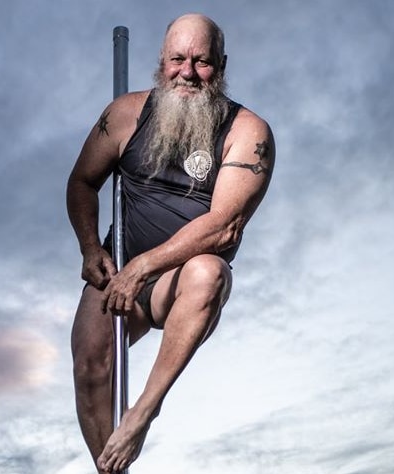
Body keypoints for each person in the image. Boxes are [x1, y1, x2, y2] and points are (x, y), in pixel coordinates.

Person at [66, 13, 274, 473]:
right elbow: (82, 182)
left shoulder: (247, 132)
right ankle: (110, 469)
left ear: (220, 64)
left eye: (201, 61)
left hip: (178, 282)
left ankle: (143, 410)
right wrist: (89, 248)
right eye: (178, 59)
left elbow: (224, 226)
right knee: (89, 363)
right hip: (118, 267)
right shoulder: (124, 114)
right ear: (162, 61)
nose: (188, 72)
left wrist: (145, 267)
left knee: (209, 271)